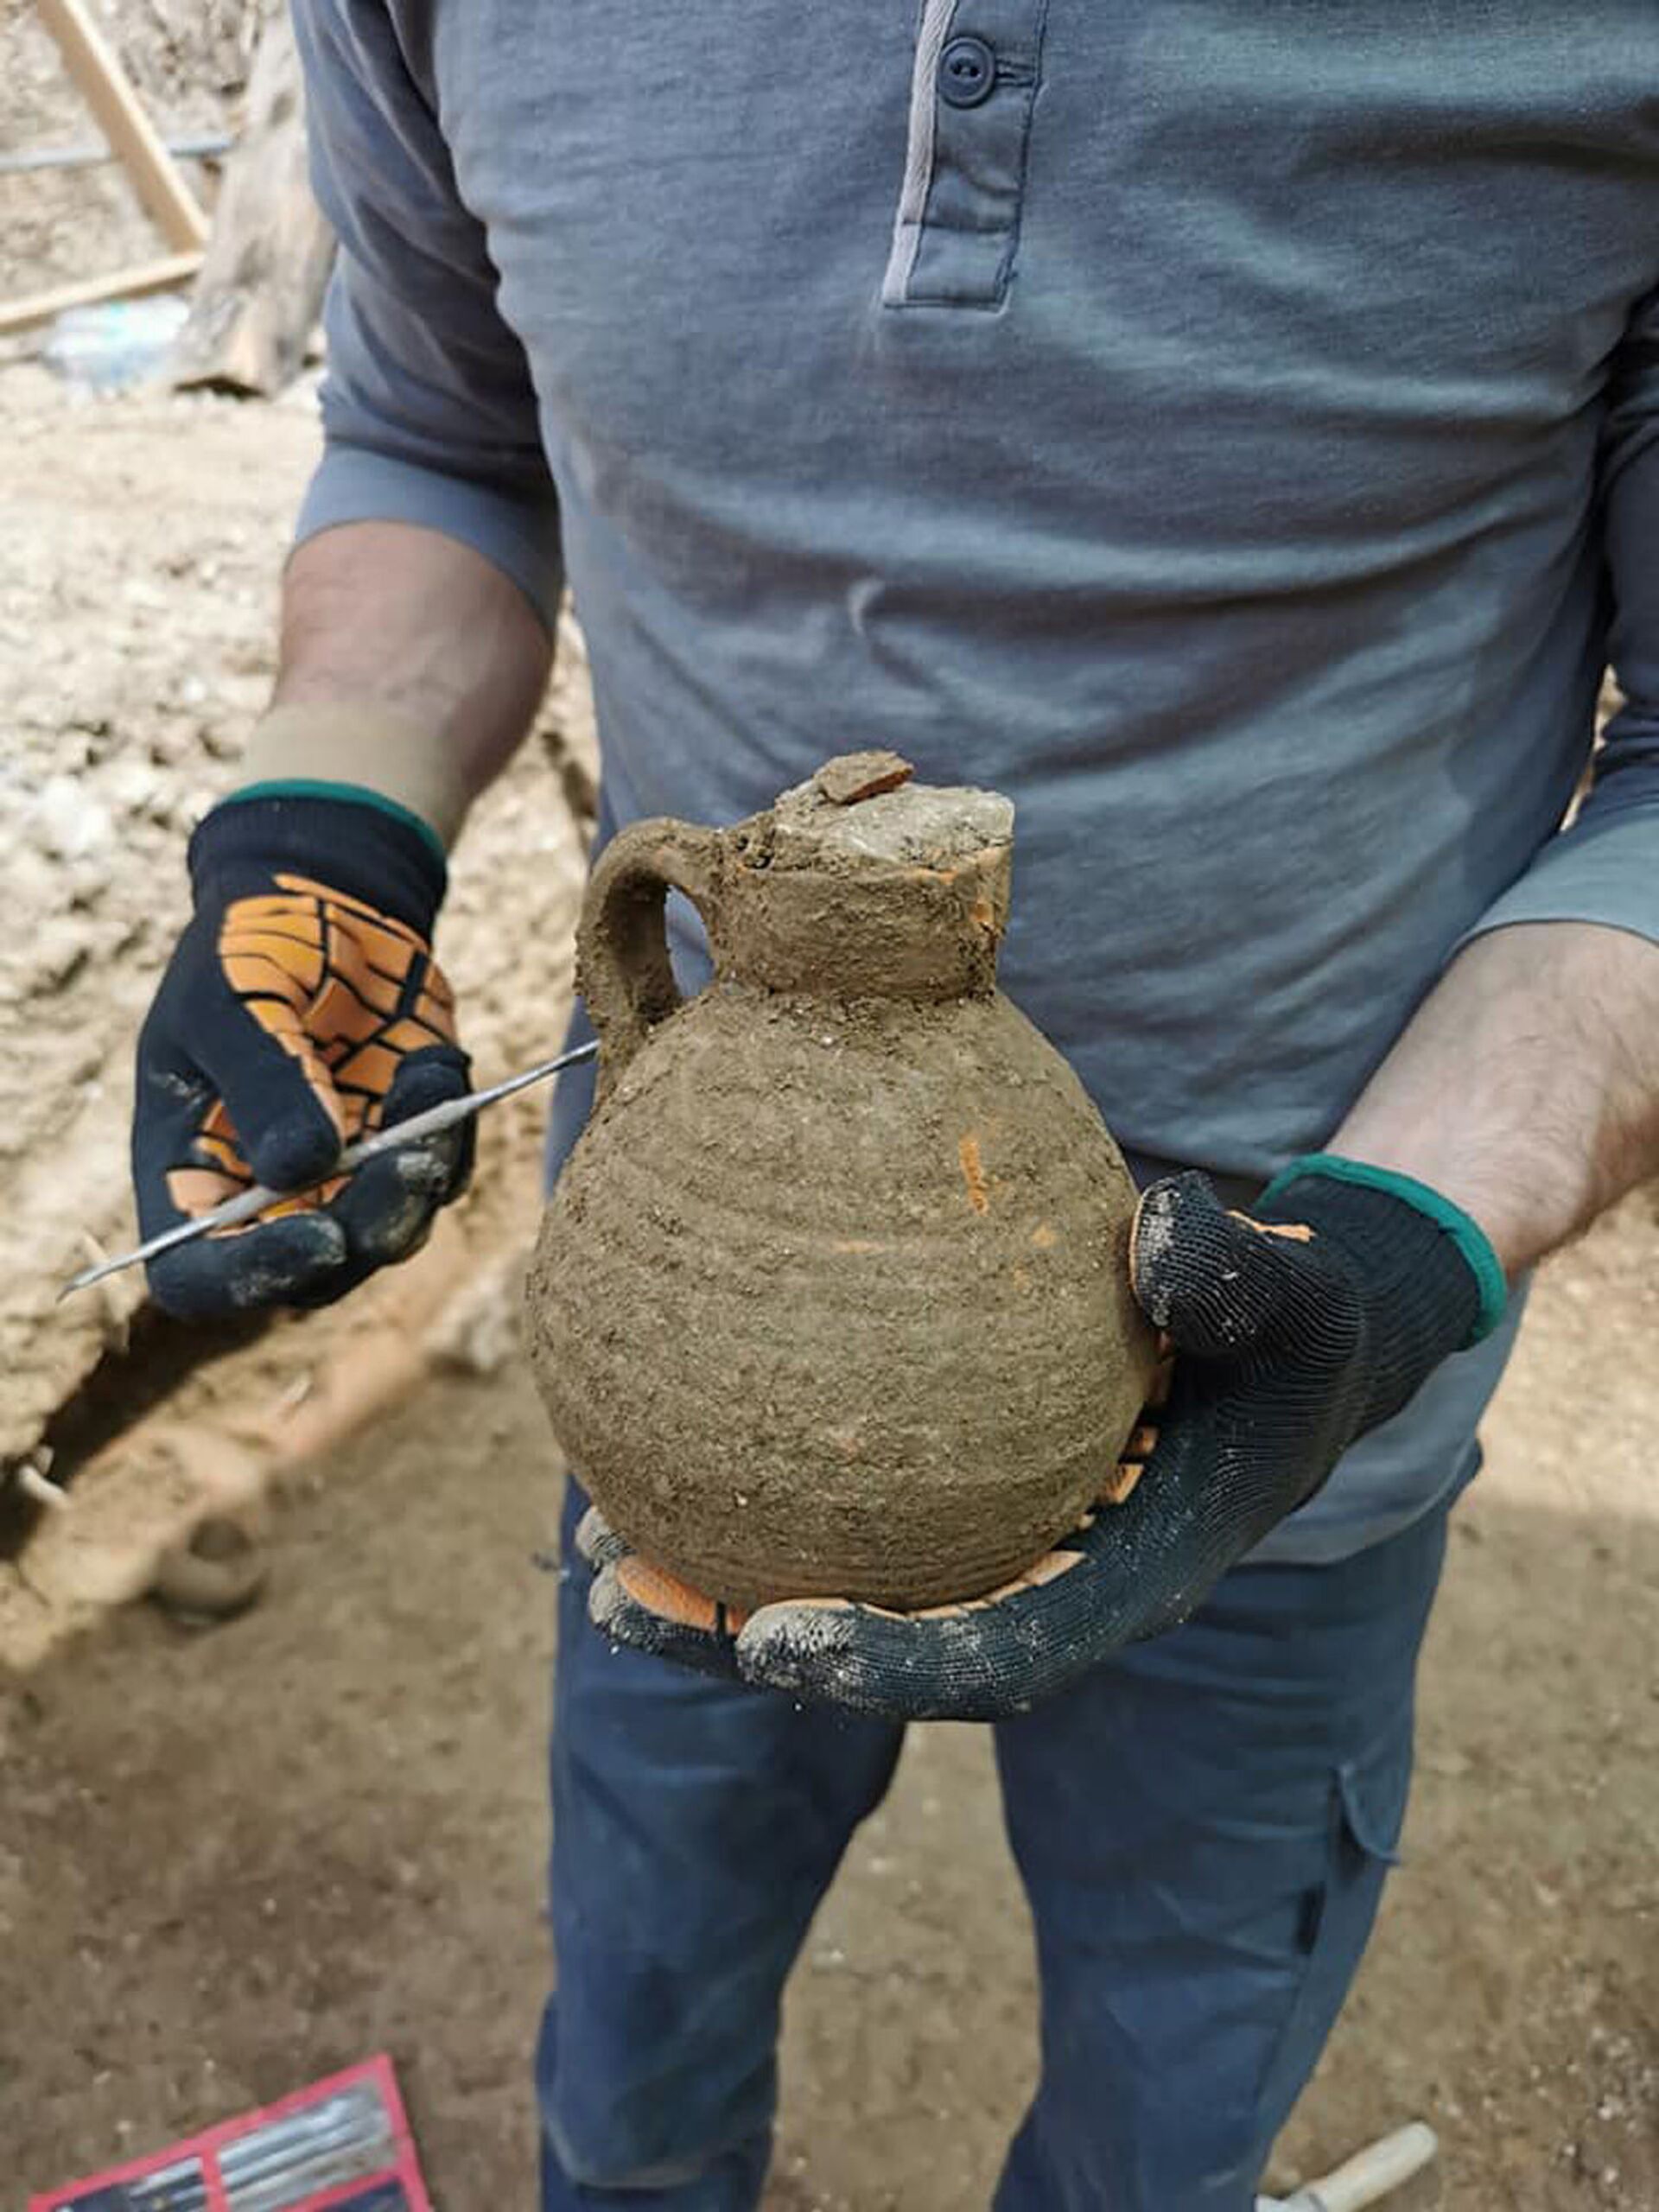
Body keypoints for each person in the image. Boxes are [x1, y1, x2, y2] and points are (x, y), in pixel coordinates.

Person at [129, 8, 1659, 2206]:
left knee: (1159, 2141)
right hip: (688, 1399)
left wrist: (1416, 1244)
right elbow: (441, 435)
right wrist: (322, 825)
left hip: (1299, 1386)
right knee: (632, 2081)